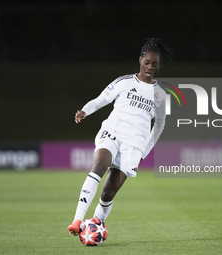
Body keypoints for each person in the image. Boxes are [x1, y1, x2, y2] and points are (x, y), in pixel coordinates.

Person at [67, 38, 174, 236]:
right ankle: (77, 220)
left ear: (158, 66)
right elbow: (101, 100)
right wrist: (84, 111)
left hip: (134, 145)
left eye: (155, 64)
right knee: (99, 166)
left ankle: (95, 226)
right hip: (112, 132)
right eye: (147, 62)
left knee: (108, 193)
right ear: (140, 60)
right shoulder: (123, 82)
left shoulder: (160, 95)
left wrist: (144, 152)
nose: (150, 67)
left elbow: (159, 126)